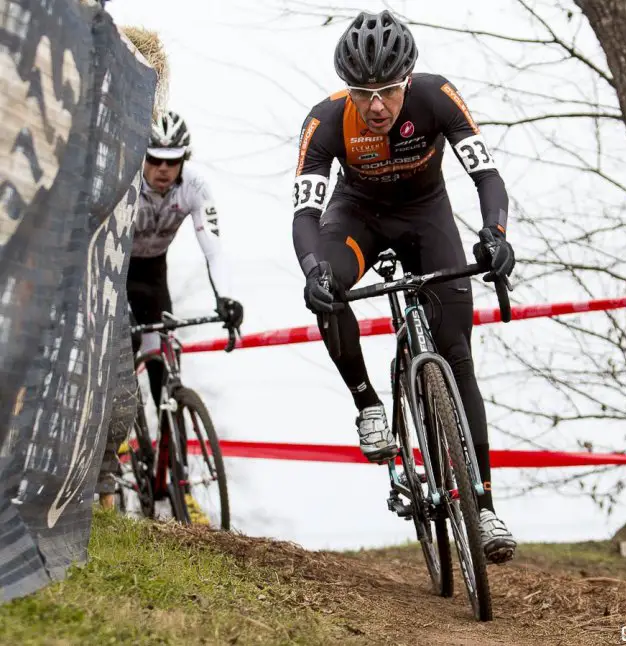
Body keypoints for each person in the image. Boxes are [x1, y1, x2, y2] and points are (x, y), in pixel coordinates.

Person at [292, 10, 516, 563]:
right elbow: (305, 214)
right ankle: (367, 404)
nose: (376, 106)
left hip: (425, 217)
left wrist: (495, 235)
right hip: (358, 217)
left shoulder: (436, 97)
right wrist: (312, 270)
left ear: (407, 80)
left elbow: (485, 175)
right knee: (329, 284)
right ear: (347, 90)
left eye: (388, 91)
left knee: (457, 354)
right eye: (363, 93)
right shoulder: (324, 122)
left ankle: (483, 506)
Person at [127, 110, 244, 411]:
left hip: (153, 274)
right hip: (118, 275)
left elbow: (214, 251)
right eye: (154, 159)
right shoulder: (125, 181)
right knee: (124, 351)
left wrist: (227, 298)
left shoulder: (195, 187)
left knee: (164, 364)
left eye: (172, 160)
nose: (163, 168)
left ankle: (168, 449)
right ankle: (122, 439)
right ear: (141, 156)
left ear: (184, 159)